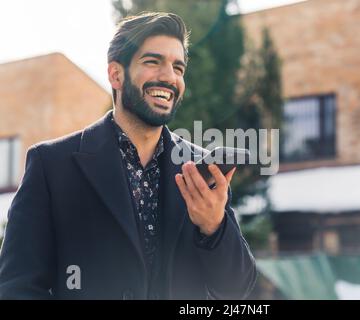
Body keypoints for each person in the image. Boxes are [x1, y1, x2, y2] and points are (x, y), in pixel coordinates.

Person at [0, 12, 256, 299]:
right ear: (116, 74)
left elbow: (236, 290)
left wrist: (214, 227)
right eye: (152, 61)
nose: (169, 77)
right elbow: (16, 287)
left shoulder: (201, 171)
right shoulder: (51, 165)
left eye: (178, 67)